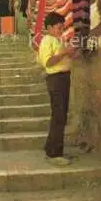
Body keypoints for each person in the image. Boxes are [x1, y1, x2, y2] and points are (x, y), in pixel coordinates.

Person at [38, 12, 78, 165]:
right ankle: (54, 154)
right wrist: (64, 53)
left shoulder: (56, 40)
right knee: (59, 115)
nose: (61, 31)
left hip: (63, 78)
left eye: (62, 28)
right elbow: (48, 62)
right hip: (56, 79)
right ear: (49, 28)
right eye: (58, 28)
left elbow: (61, 57)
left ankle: (52, 148)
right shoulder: (46, 41)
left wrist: (68, 54)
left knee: (60, 115)